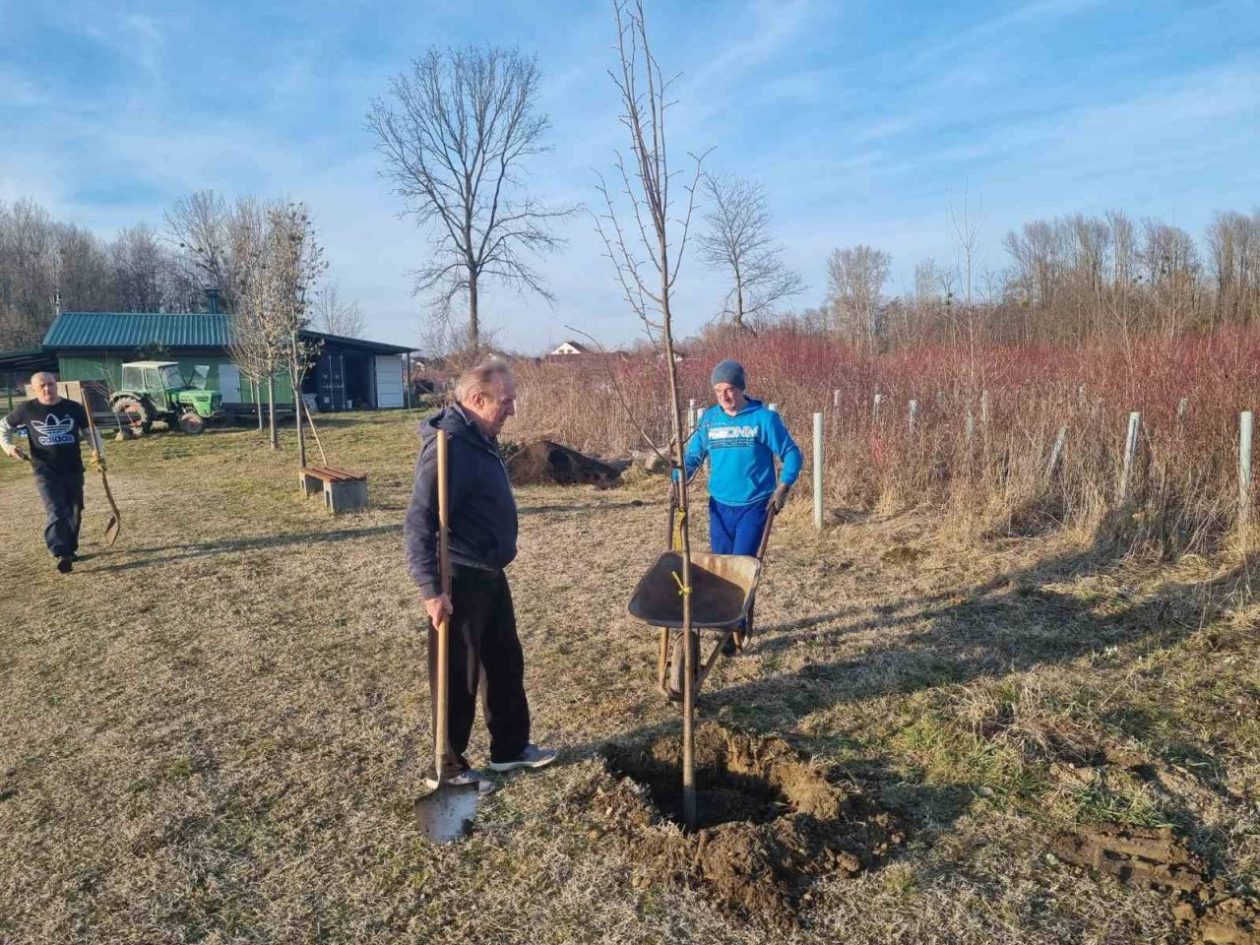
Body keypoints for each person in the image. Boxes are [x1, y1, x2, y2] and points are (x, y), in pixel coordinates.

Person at [404, 360, 556, 795]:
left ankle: (509, 748)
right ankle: (448, 767)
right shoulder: (449, 447)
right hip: (460, 577)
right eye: (505, 401)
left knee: (505, 662)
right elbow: (419, 521)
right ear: (477, 400)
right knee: (458, 675)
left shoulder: (481, 438)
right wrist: (432, 590)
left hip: (490, 572)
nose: (512, 409)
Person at [677, 359, 802, 658]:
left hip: (755, 506)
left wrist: (783, 486)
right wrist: (677, 477)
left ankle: (737, 628)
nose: (724, 396)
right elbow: (693, 456)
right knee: (721, 568)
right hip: (720, 507)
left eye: (730, 389)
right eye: (718, 390)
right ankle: (726, 622)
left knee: (741, 566)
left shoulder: (763, 419)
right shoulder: (710, 420)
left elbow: (792, 454)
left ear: (741, 388)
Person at [1, 372, 104, 574]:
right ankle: (60, 553)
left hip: (73, 469)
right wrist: (9, 447)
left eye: (50, 384)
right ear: (34, 389)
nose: (47, 389)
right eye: (42, 386)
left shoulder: (73, 408)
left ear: (56, 384)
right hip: (45, 470)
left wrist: (98, 453)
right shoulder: (26, 409)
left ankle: (70, 549)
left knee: (74, 510)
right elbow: (3, 427)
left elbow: (90, 432)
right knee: (55, 509)